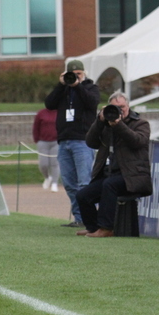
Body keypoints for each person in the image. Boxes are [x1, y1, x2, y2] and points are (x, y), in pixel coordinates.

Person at [75, 91, 152, 238]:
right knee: (83, 195)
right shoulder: (105, 124)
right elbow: (91, 142)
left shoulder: (140, 123)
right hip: (110, 174)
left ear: (128, 106)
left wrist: (118, 125)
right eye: (115, 107)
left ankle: (106, 228)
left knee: (109, 185)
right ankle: (93, 228)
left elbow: (138, 142)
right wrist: (99, 121)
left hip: (133, 176)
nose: (119, 110)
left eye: (122, 107)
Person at [44, 59, 100, 228]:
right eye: (72, 74)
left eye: (78, 74)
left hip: (83, 140)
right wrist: (61, 85)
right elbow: (49, 104)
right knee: (69, 183)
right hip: (64, 141)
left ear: (84, 74)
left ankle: (91, 218)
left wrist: (77, 86)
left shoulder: (91, 88)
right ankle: (79, 218)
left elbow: (92, 102)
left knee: (84, 182)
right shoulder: (63, 90)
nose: (75, 77)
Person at [32, 107, 60, 192]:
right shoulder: (41, 113)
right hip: (43, 142)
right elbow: (36, 127)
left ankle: (54, 183)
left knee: (54, 163)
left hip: (56, 142)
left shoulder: (59, 112)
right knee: (43, 164)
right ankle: (47, 177)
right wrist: (36, 139)